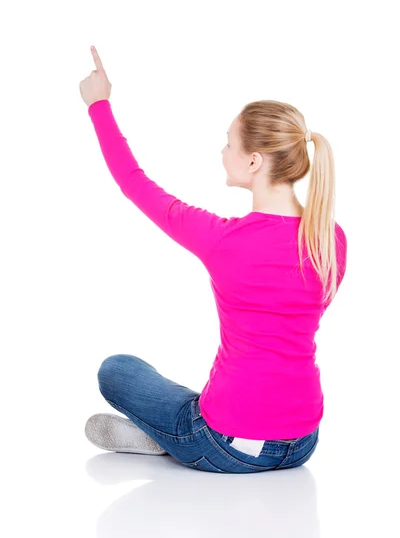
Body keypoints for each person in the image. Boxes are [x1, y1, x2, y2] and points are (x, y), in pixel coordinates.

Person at [81, 47, 347, 473]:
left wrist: (98, 103)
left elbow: (134, 183)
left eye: (229, 143)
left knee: (118, 370)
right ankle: (171, 433)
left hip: (227, 445)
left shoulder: (223, 239)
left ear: (255, 161)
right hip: (303, 442)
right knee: (203, 395)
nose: (223, 152)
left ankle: (170, 438)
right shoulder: (330, 239)